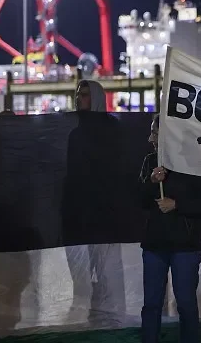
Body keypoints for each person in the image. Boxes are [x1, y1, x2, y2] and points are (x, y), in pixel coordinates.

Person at [140, 115, 201, 343]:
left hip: (185, 246)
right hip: (154, 245)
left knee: (186, 304)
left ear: (168, 134)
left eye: (155, 132)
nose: (150, 137)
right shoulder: (150, 161)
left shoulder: (195, 162)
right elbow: (138, 201)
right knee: (151, 304)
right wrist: (151, 182)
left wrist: (177, 205)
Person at [63, 79, 126, 326]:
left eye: (86, 94)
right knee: (82, 272)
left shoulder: (112, 129)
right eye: (78, 94)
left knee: (108, 268)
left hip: (105, 211)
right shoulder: (75, 133)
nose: (80, 98)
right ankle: (90, 316)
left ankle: (112, 317)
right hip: (80, 211)